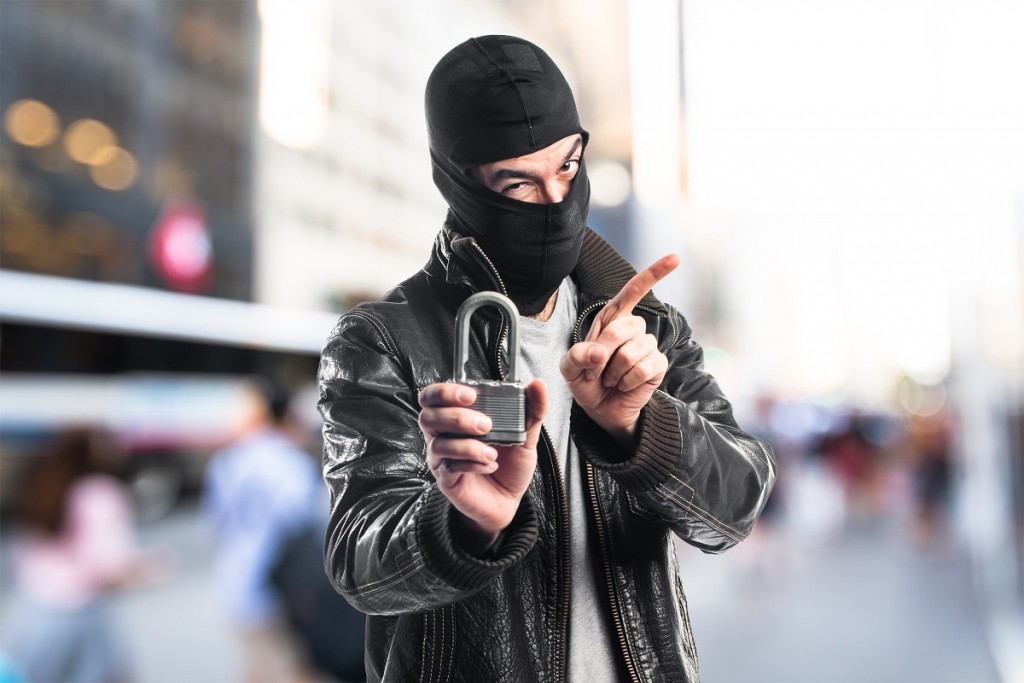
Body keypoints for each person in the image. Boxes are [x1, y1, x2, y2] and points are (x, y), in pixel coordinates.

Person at [318, 35, 777, 682]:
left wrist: (640, 428)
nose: (558, 202)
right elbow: (359, 564)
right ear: (458, 184)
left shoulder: (646, 326)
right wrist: (463, 524)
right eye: (519, 183)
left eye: (568, 167)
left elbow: (738, 506)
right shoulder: (383, 341)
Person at [204, 379, 364, 683]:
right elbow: (311, 526)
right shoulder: (288, 462)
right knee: (296, 670)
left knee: (258, 668)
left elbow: (217, 521)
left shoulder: (225, 461)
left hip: (235, 581)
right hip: (283, 591)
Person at [5, 427, 155, 683]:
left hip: (38, 609)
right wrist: (148, 569)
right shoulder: (100, 493)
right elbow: (110, 566)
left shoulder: (45, 484)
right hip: (82, 611)